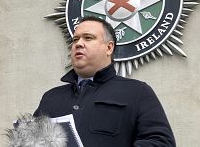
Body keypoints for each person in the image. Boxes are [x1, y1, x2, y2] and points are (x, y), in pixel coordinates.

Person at [34, 16, 176, 147]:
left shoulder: (137, 92)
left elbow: (161, 142)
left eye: (88, 38)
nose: (78, 44)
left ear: (109, 48)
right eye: (75, 40)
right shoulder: (51, 98)